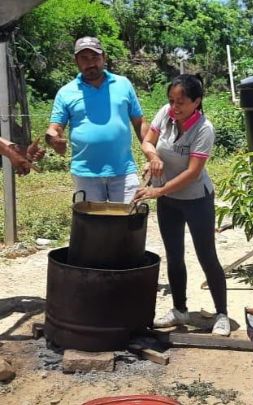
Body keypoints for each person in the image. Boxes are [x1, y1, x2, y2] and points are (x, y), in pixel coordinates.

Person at [133, 74, 230, 337]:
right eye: (171, 100)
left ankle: (222, 313)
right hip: (169, 202)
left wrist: (158, 190)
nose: (175, 107)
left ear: (196, 102)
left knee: (206, 254)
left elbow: (192, 172)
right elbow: (147, 141)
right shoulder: (165, 115)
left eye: (181, 102)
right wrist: (152, 157)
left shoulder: (204, 129)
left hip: (196, 199)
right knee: (174, 255)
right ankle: (180, 310)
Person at [44, 36, 146, 203]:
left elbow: (139, 122)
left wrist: (151, 153)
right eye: (84, 58)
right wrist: (53, 138)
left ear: (104, 57)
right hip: (86, 174)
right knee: (92, 226)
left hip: (123, 171)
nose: (90, 63)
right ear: (76, 61)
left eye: (95, 57)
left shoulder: (123, 84)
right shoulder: (66, 92)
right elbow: (55, 127)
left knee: (128, 223)